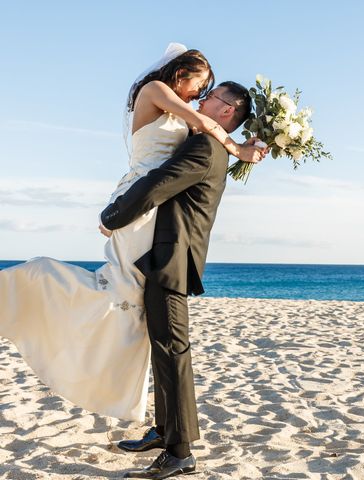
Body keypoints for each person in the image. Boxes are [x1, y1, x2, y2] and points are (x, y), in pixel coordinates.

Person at [0, 44, 264, 422]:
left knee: (130, 304)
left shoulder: (187, 117)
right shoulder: (157, 92)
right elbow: (206, 127)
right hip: (139, 199)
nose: (199, 95)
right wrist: (238, 147)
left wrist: (248, 140)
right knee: (118, 292)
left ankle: (133, 399)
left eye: (208, 91)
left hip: (154, 212)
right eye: (200, 86)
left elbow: (206, 145)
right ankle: (35, 281)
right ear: (180, 73)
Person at [100, 81, 255, 478]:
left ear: (227, 112)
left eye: (213, 97)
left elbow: (156, 186)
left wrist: (112, 216)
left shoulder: (205, 148)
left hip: (172, 259)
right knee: (162, 348)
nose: (203, 100)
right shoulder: (211, 143)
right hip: (164, 256)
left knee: (173, 352)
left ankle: (181, 451)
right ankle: (164, 430)